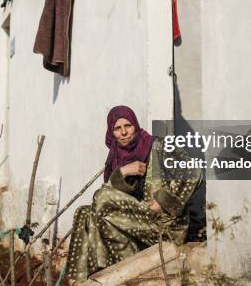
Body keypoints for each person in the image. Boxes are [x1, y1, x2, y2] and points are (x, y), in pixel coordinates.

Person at [66, 106, 202, 282]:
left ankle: (108, 266)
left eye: (127, 125)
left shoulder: (158, 146)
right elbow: (112, 202)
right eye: (117, 128)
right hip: (139, 222)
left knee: (101, 197)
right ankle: (80, 280)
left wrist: (163, 201)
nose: (123, 132)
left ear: (135, 126)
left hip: (164, 225)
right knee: (84, 212)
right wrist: (122, 172)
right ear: (111, 132)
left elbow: (193, 171)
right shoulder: (115, 158)